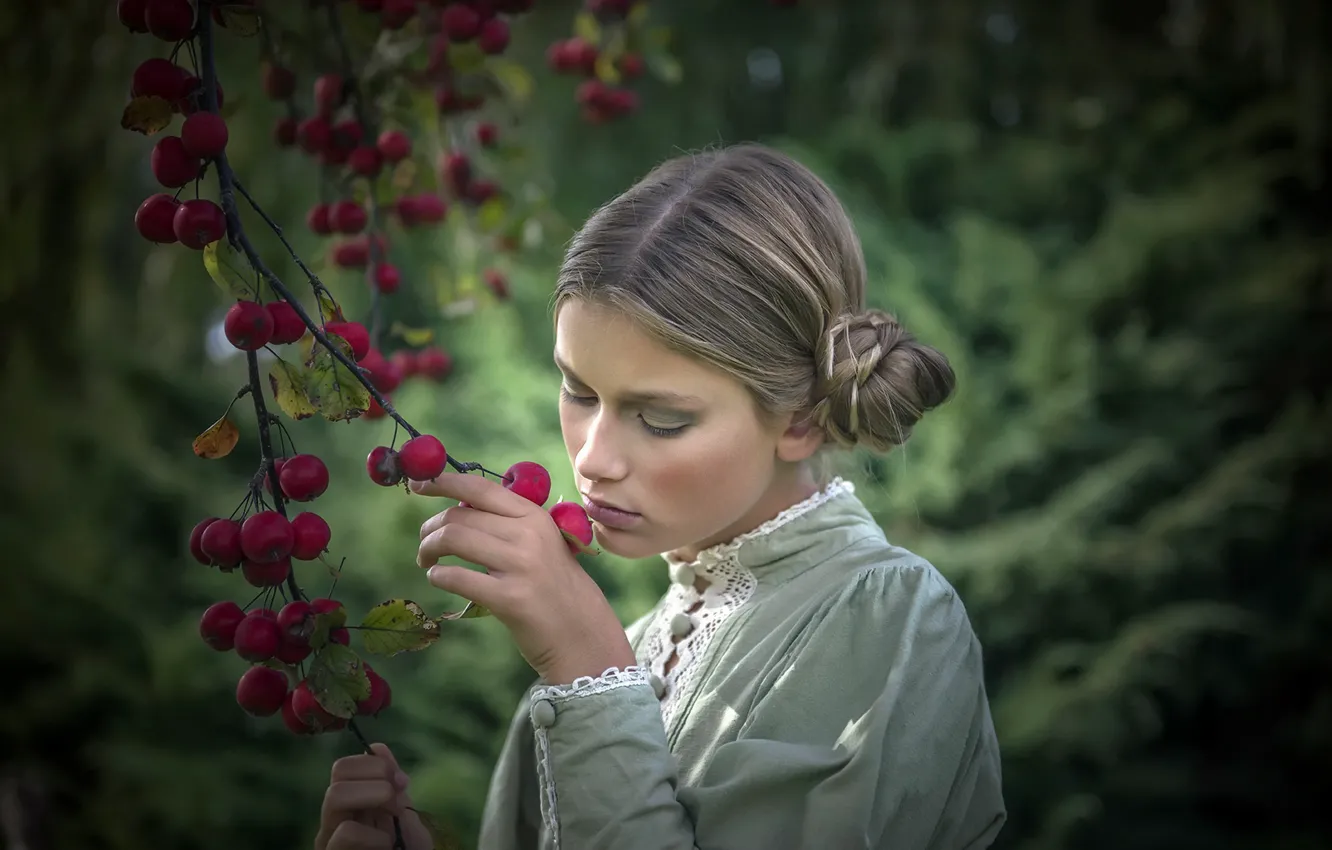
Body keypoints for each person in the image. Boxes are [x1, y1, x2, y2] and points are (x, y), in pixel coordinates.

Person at [314, 143, 1006, 850]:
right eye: (578, 391)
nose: (592, 457)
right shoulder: (621, 652)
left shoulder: (893, 619)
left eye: (663, 419)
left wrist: (588, 668)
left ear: (801, 419)